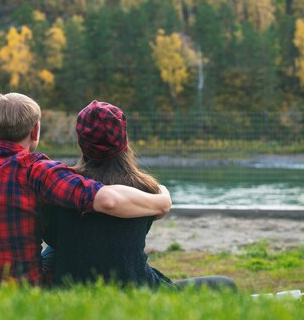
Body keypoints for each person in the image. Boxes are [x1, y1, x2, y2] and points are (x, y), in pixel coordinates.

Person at [0, 92, 172, 288]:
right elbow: (107, 201)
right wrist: (161, 200)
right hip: (21, 289)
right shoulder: (37, 171)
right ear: (35, 130)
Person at [42, 100, 236, 291]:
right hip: (139, 287)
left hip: (75, 288)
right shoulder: (146, 189)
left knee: (56, 249)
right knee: (226, 285)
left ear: (81, 141)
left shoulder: (62, 188)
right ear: (124, 139)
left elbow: (53, 238)